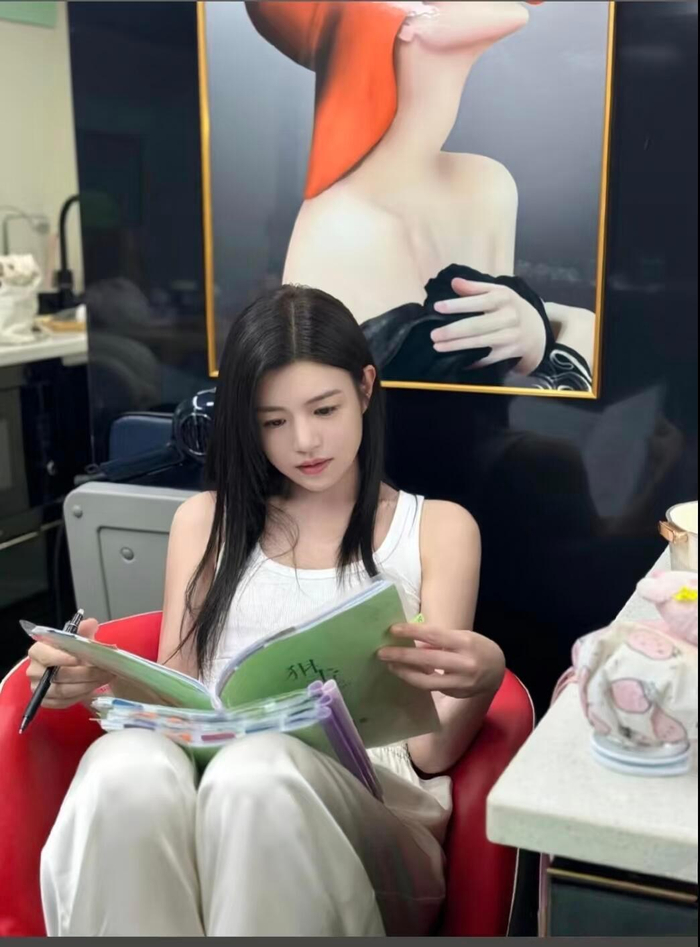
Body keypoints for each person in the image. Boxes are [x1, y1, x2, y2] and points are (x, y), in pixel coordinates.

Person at [26, 285, 505, 937]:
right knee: (125, 768)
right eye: (273, 421)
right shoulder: (206, 521)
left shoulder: (438, 529)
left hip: (377, 818)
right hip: (212, 788)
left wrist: (483, 679)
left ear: (366, 388)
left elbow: (431, 751)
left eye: (325, 408)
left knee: (256, 774)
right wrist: (98, 678)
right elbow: (181, 703)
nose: (305, 440)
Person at [245, 1, 596, 391]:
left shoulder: (485, 186)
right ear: (402, 17)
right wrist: (575, 333)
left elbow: (495, 381)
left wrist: (535, 331)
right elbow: (344, 411)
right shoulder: (342, 230)